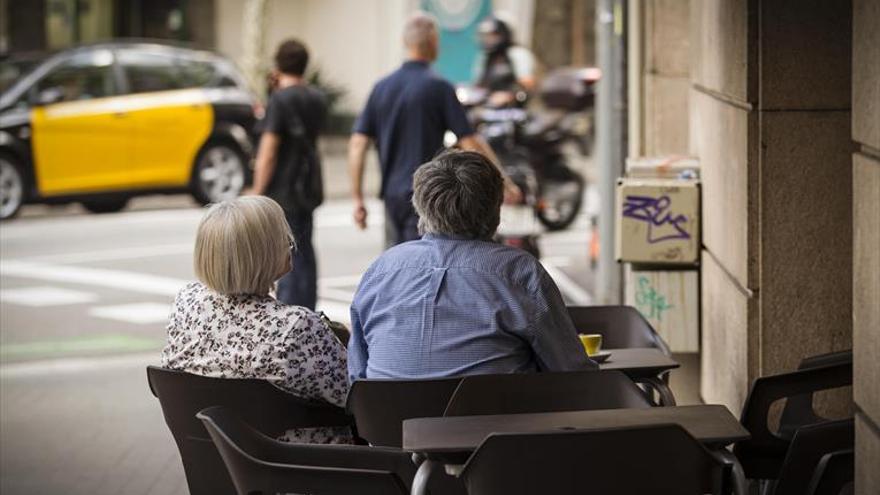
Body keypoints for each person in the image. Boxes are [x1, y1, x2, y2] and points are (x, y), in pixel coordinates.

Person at [348, 151, 596, 383]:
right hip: (496, 426)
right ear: (495, 212)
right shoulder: (519, 273)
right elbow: (572, 374)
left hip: (389, 427)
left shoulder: (381, 271)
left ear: (421, 208)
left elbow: (357, 376)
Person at [162, 196, 350, 444]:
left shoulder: (186, 303)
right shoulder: (295, 328)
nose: (289, 242)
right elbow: (358, 395)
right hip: (309, 471)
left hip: (218, 466)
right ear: (262, 253)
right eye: (281, 236)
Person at [349, 12, 515, 248]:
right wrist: (504, 182)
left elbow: (357, 145)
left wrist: (357, 198)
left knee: (398, 264)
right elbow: (470, 142)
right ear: (433, 43)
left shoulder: (381, 88)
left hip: (391, 196)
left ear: (406, 43)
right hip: (428, 195)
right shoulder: (439, 87)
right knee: (425, 269)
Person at [248, 39, 326, 310]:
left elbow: (268, 151)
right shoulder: (317, 97)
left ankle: (291, 312)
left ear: (278, 65)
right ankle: (308, 311)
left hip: (283, 187)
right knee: (305, 248)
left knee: (287, 253)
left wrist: (257, 190)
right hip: (308, 184)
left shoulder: (280, 101)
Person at [472, 15, 538, 107]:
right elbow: (478, 84)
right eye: (486, 36)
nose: (488, 39)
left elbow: (527, 85)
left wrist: (509, 96)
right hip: (487, 107)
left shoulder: (517, 53)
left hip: (513, 110)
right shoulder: (485, 57)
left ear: (504, 33)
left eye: (493, 35)